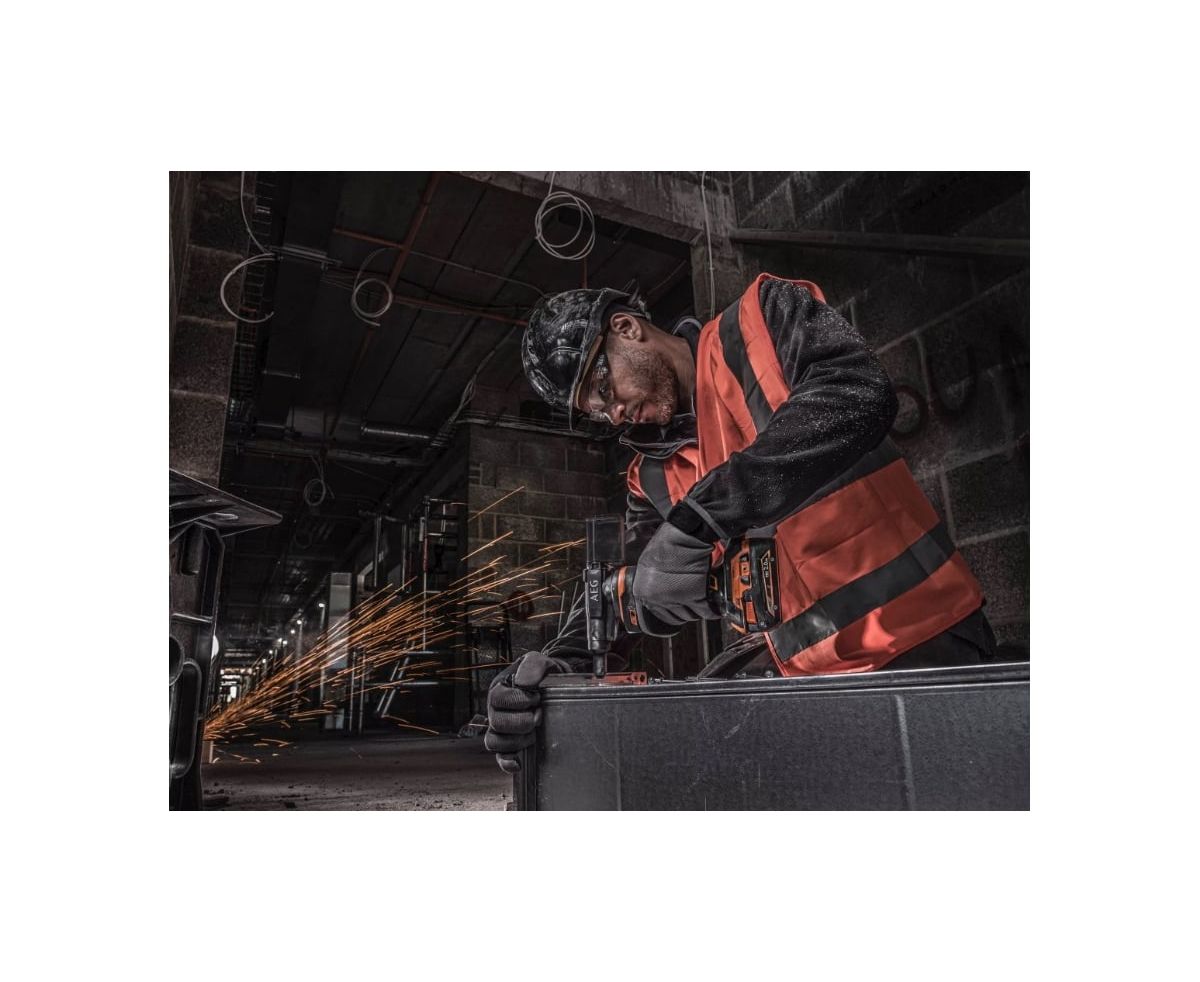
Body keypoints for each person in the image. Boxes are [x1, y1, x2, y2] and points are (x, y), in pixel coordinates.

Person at [485, 273, 997, 772]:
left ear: (626, 328)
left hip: (927, 643)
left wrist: (702, 516)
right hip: (809, 684)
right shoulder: (652, 478)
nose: (614, 413)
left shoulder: (762, 321)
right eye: (598, 412)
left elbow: (856, 392)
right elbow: (621, 592)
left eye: (604, 387)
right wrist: (554, 669)